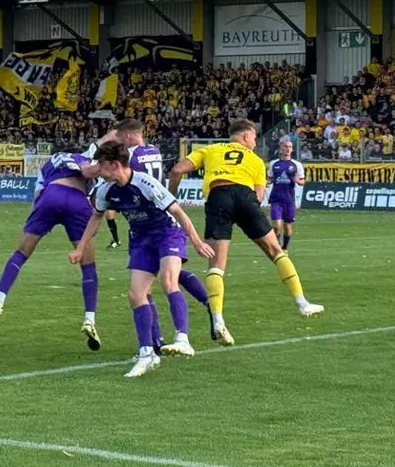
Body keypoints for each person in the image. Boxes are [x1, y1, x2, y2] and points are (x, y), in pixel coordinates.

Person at [167, 120, 323, 347]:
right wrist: (246, 212)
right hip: (245, 196)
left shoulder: (209, 150)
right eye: (253, 138)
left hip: (217, 196)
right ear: (246, 136)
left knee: (216, 265)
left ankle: (218, 321)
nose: (254, 142)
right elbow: (259, 195)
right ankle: (302, 302)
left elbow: (177, 170)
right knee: (275, 250)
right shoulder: (256, 160)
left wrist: (171, 198)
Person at [70, 141, 213, 378]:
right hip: (140, 239)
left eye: (100, 164)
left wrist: (197, 242)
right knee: (136, 294)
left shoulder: (145, 183)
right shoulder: (106, 190)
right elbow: (96, 218)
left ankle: (183, 339)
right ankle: (147, 354)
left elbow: (177, 211)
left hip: (168, 232)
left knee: (169, 280)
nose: (97, 169)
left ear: (115, 165)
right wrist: (80, 248)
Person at [0, 149, 106, 350]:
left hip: (51, 196)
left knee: (21, 253)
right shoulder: (85, 160)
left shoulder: (50, 163)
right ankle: (90, 319)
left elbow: (38, 194)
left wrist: (42, 220)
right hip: (78, 201)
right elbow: (93, 188)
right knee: (88, 266)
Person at [267, 138, 306, 251]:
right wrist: (268, 182)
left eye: (290, 147)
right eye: (285, 147)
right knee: (276, 226)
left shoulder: (297, 165)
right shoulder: (273, 164)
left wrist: (298, 181)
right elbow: (270, 178)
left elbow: (303, 181)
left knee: (287, 227)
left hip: (289, 199)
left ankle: (285, 248)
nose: (288, 149)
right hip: (276, 199)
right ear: (280, 149)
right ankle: (277, 247)